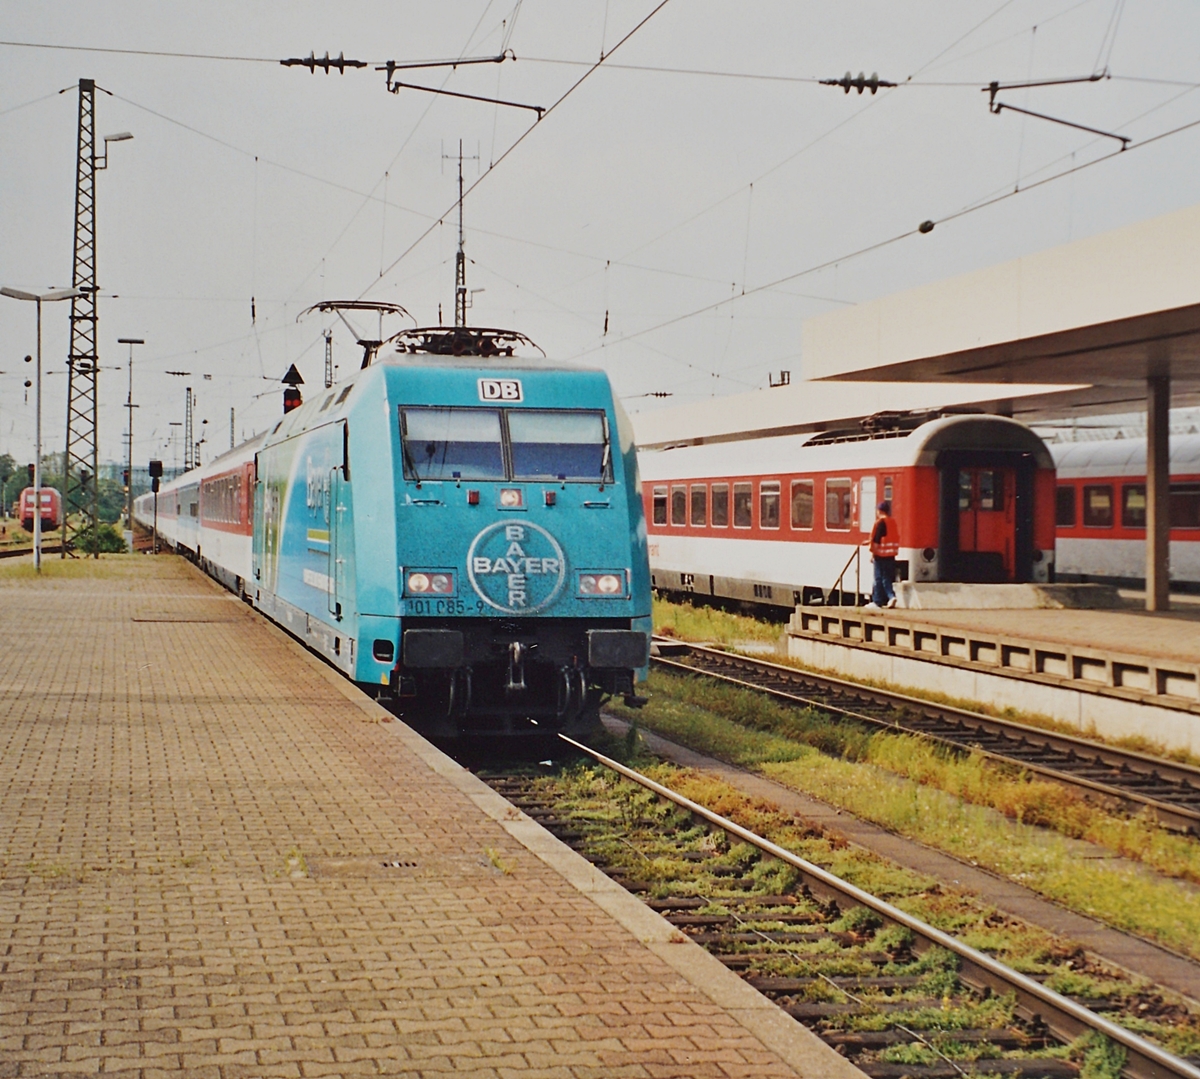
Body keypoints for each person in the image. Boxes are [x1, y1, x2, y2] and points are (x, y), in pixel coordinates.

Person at [864, 500, 899, 610]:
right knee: (886, 577)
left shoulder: (880, 523)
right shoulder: (892, 522)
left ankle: (878, 601)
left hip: (881, 555)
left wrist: (873, 554)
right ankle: (890, 597)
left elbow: (877, 540)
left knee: (878, 578)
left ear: (879, 511)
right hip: (891, 554)